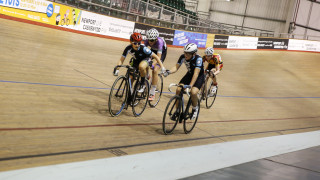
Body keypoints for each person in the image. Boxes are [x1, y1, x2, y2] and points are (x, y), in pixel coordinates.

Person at [164, 43, 204, 120]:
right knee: (178, 89)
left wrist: (190, 85)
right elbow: (176, 67)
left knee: (193, 92)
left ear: (194, 54)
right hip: (189, 75)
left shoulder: (198, 59)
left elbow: (196, 74)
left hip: (199, 76)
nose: (186, 55)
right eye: (185, 52)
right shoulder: (182, 57)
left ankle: (195, 108)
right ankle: (178, 111)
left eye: (188, 53)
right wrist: (168, 72)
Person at [144, 28, 168, 101]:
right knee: (145, 61)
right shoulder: (147, 41)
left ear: (156, 39)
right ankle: (147, 75)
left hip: (162, 52)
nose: (150, 42)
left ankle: (152, 92)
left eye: (152, 40)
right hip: (153, 50)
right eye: (149, 40)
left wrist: (152, 64)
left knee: (155, 70)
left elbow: (158, 57)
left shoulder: (160, 42)